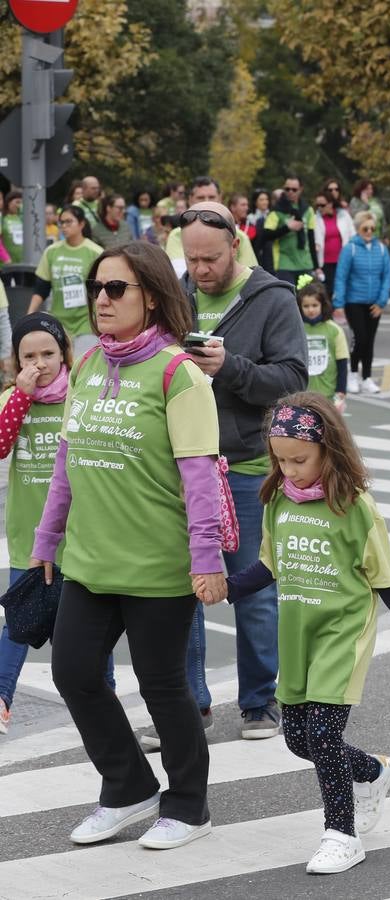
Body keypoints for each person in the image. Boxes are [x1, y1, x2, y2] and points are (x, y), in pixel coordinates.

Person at [36, 240, 223, 850]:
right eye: (96, 288)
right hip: (90, 560)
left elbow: (199, 475)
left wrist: (206, 560)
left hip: (159, 563)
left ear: (150, 294)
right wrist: (47, 539)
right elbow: (67, 460)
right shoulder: (87, 363)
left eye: (116, 289)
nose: (101, 299)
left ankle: (188, 807)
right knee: (74, 673)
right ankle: (126, 788)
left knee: (163, 685)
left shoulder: (178, 374)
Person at [215, 392, 390, 873]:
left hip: (342, 634)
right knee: (300, 740)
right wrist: (225, 589)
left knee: (322, 732)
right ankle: (373, 772)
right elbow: (267, 567)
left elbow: (387, 582)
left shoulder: (357, 508)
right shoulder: (277, 500)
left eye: (300, 459)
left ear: (328, 450)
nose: (290, 469)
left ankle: (342, 834)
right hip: (297, 636)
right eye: (281, 460)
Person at [169, 200, 308, 747]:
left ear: (236, 243)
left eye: (210, 258)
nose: (200, 270)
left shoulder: (271, 299)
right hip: (185, 463)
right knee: (185, 588)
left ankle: (258, 701)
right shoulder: (174, 295)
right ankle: (188, 704)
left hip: (247, 465)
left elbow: (294, 378)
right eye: (191, 258)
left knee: (252, 588)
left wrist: (230, 368)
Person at [0, 314, 115, 734]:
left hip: (80, 538)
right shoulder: (14, 398)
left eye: (48, 353)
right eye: (28, 356)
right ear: (15, 361)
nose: (40, 363)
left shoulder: (81, 394)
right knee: (18, 622)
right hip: (29, 539)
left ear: (65, 354)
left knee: (88, 630)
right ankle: (2, 697)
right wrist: (22, 397)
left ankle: (107, 697)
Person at [333, 211, 390, 396]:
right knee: (360, 338)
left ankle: (366, 377)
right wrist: (339, 303)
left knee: (370, 341)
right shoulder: (349, 249)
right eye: (365, 228)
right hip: (354, 302)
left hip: (374, 303)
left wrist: (382, 302)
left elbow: (387, 276)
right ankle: (352, 374)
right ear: (358, 229)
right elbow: (341, 277)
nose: (369, 232)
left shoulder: (381, 249)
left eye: (372, 229)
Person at [29, 205, 102, 354]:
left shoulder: (95, 252)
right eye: (61, 222)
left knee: (82, 367)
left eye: (69, 222)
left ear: (81, 224)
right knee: (63, 369)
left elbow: (102, 289)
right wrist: (30, 314)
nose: (64, 226)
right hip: (58, 322)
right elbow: (42, 287)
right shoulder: (52, 251)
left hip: (86, 322)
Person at [163, 177, 260, 277]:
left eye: (212, 197)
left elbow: (251, 277)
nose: (206, 202)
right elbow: (180, 275)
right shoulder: (177, 235)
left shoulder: (240, 236)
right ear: (190, 200)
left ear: (220, 199)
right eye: (200, 198)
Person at [297, 277, 349, 410]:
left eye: (315, 305)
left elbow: (342, 362)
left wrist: (341, 391)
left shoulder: (334, 330)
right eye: (306, 306)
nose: (311, 310)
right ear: (299, 307)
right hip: (302, 395)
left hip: (328, 395)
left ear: (322, 305)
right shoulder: (296, 328)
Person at [260, 175, 320, 286]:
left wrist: (316, 267)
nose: (290, 192)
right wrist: (287, 228)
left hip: (305, 264)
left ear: (301, 189)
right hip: (284, 264)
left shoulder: (308, 210)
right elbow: (265, 236)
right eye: (287, 189)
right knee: (289, 301)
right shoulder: (276, 211)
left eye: (294, 189)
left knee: (307, 299)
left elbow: (311, 240)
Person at [313, 190, 355, 289]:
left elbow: (352, 235)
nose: (319, 208)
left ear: (330, 204)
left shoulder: (344, 216)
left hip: (343, 260)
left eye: (322, 205)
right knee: (328, 290)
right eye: (317, 205)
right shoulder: (315, 218)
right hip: (324, 263)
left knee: (343, 288)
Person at [2, 191, 24, 262]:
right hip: (6, 264)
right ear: (8, 202)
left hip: (23, 262)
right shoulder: (2, 218)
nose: (19, 205)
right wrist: (6, 258)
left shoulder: (23, 219)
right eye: (17, 202)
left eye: (22, 203)